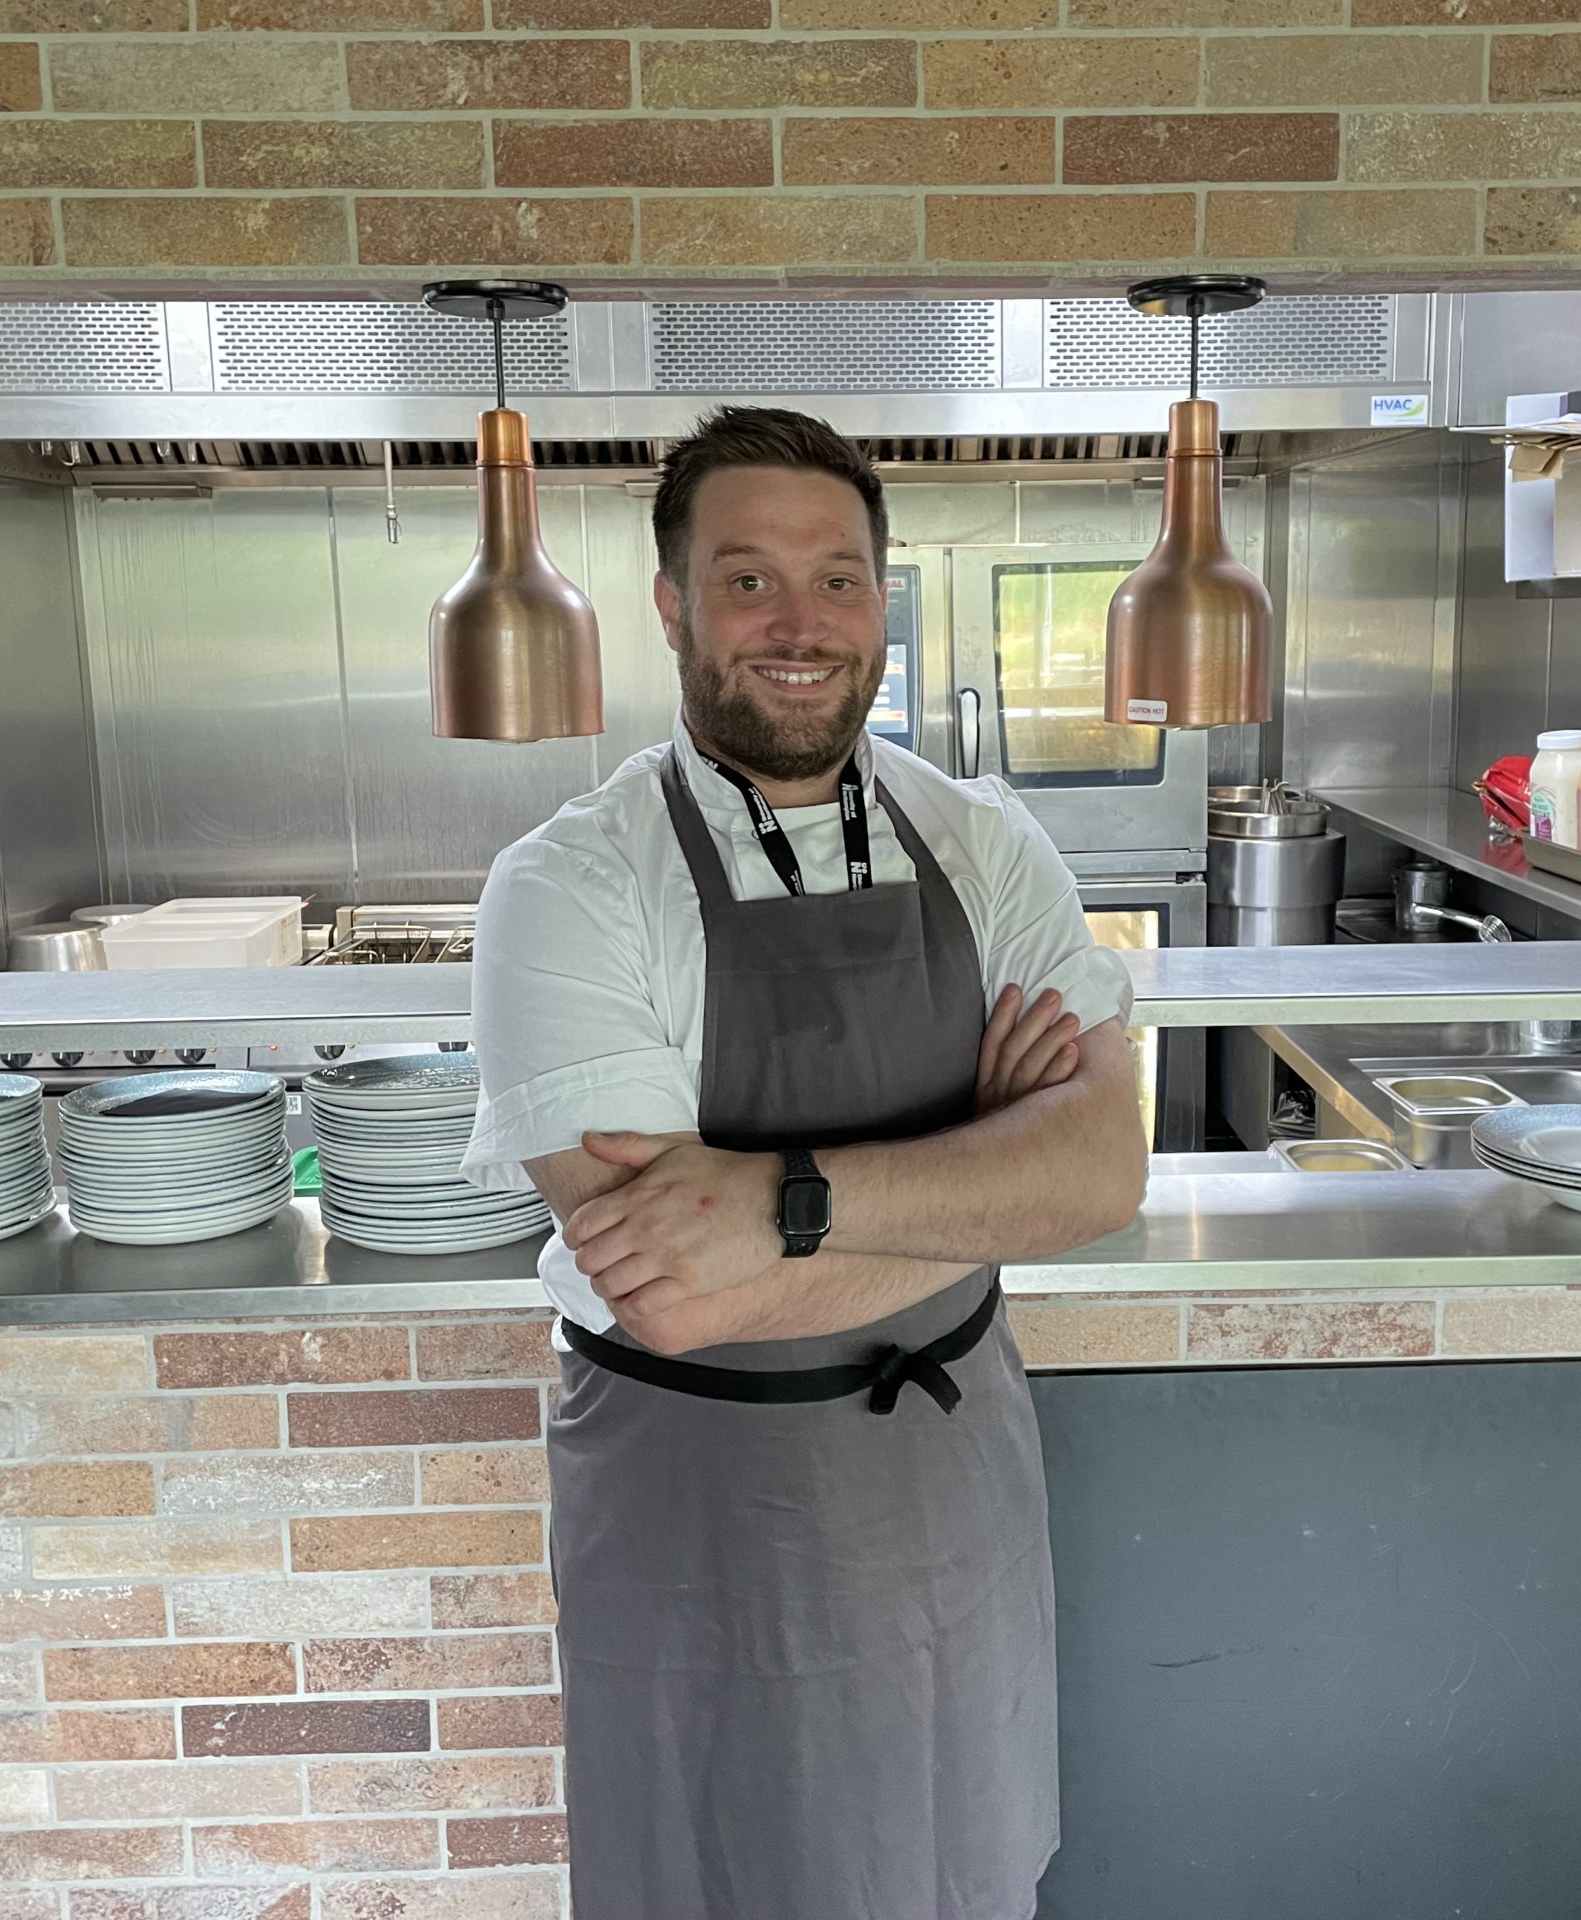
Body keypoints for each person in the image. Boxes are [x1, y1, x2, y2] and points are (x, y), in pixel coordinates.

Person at [461, 404, 1149, 1919]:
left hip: (950, 1480)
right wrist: (981, 1160)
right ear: (671, 604)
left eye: (840, 579)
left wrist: (783, 1199)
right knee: (709, 1875)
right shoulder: (567, 888)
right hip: (701, 1508)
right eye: (748, 578)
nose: (801, 623)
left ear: (882, 602)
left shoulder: (985, 842)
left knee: (955, 1871)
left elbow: (1101, 1173)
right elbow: (677, 1293)